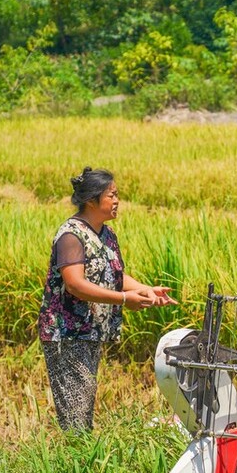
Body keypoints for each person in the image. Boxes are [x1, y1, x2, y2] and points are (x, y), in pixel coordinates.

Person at [37, 167, 177, 431]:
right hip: (65, 334)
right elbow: (76, 284)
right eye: (111, 195)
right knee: (76, 413)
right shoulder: (71, 235)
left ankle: (78, 461)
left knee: (84, 400)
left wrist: (146, 290)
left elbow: (114, 274)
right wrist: (125, 299)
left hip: (89, 332)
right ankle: (75, 464)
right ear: (92, 200)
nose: (117, 201)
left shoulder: (106, 234)